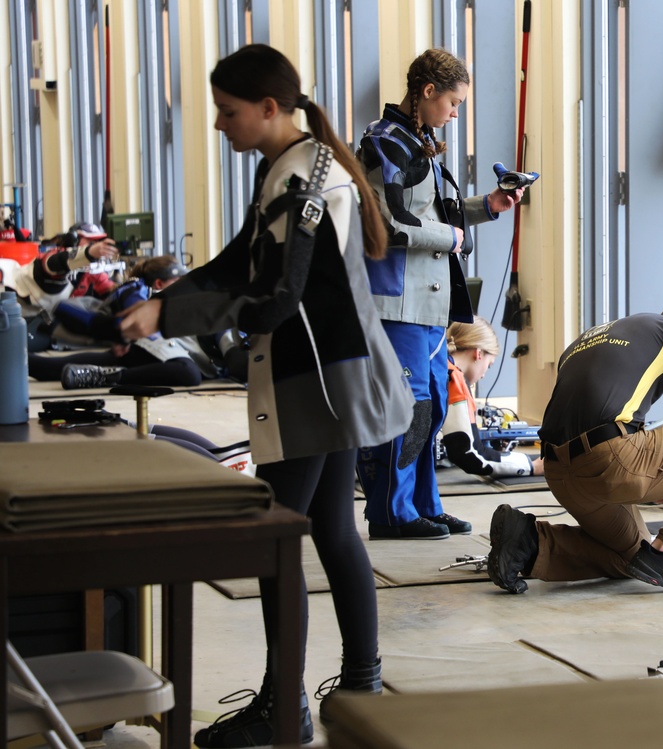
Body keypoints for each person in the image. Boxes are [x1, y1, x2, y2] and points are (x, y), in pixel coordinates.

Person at [118, 43, 414, 747]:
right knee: (333, 528)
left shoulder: (302, 183)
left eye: (227, 112)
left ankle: (288, 708)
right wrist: (169, 298)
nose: (220, 125)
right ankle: (360, 687)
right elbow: (238, 260)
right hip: (331, 373)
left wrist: (172, 315)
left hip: (316, 381)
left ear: (270, 108)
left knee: (279, 540)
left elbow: (274, 297)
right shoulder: (295, 164)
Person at [486, 295, 663, 595]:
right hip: (609, 460)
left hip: (560, 474)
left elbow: (597, 417)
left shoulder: (591, 338)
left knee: (638, 559)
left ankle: (528, 540)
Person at [356, 48, 523, 540]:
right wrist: (452, 238)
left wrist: (488, 206)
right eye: (453, 102)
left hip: (428, 304)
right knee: (405, 408)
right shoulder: (384, 143)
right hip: (396, 301)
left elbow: (434, 210)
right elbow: (388, 221)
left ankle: (422, 504)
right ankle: (390, 514)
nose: (456, 113)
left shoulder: (418, 138)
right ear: (427, 92)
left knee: (429, 408)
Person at [29, 255, 203, 389]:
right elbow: (135, 319)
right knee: (50, 367)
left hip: (119, 341)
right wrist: (125, 337)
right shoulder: (136, 290)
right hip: (57, 329)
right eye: (178, 282)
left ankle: (15, 362)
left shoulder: (138, 290)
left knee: (51, 368)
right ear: (159, 283)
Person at [441, 315, 543, 477]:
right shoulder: (453, 378)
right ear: (479, 353)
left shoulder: (438, 366)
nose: (483, 375)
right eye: (489, 365)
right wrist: (532, 466)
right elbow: (471, 455)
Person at [0, 222, 119, 350]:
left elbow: (111, 291)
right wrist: (88, 253)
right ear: (73, 240)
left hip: (47, 325)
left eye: (98, 242)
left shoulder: (91, 271)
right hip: (23, 322)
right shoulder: (52, 258)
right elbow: (56, 263)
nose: (96, 247)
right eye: (90, 242)